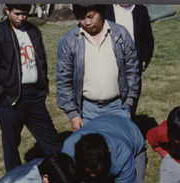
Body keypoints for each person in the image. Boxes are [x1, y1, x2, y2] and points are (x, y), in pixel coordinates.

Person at [0, 4, 61, 172]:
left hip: (35, 96)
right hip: (11, 99)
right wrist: (2, 96)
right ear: (7, 10)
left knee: (53, 143)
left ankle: (59, 177)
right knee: (11, 146)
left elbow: (42, 62)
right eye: (17, 14)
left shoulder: (33, 31)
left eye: (25, 14)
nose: (21, 18)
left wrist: (42, 88)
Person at [56, 3, 140, 131]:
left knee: (122, 147)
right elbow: (63, 80)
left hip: (119, 107)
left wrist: (129, 101)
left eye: (90, 16)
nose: (87, 22)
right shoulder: (68, 41)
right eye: (82, 18)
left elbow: (132, 69)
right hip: (88, 110)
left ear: (100, 12)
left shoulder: (120, 34)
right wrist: (73, 115)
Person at [104, 4, 154, 115]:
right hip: (108, 68)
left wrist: (143, 62)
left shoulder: (140, 10)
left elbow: (148, 40)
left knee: (129, 110)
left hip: (132, 70)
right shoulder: (105, 8)